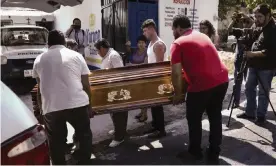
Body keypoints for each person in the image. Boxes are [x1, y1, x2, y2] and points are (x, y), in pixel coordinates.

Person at [170, 15, 229, 164]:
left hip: (202, 85)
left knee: (194, 118)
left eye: (173, 29)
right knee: (215, 116)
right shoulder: (202, 36)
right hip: (222, 80)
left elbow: (176, 72)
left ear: (178, 28)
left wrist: (178, 94)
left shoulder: (178, 43)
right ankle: (214, 151)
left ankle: (195, 152)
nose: (173, 32)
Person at [32, 30, 93, 165]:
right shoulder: (77, 56)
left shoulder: (38, 60)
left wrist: (41, 109)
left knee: (55, 141)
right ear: (64, 42)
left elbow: (40, 89)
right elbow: (86, 85)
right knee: (84, 135)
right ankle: (84, 161)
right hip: (77, 103)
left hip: (52, 107)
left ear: (48, 43)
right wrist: (90, 106)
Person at [237, 4, 276, 124]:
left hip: (266, 67)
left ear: (268, 16)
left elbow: (269, 52)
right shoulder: (258, 26)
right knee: (249, 88)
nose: (257, 19)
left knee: (263, 92)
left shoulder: (273, 30)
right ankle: (250, 112)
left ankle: (260, 116)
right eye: (256, 16)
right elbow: (252, 41)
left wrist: (252, 54)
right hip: (253, 65)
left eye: (260, 17)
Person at [94, 38, 128, 147]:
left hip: (116, 88)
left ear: (103, 48)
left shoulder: (113, 56)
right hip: (109, 88)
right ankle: (118, 129)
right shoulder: (107, 56)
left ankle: (120, 137)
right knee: (113, 112)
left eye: (98, 50)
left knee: (119, 113)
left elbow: (120, 73)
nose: (98, 53)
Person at [141, 19, 168, 138]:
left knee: (158, 105)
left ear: (152, 29)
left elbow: (160, 65)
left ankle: (161, 130)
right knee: (153, 104)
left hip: (158, 79)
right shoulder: (151, 44)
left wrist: (153, 78)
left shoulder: (158, 45)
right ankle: (155, 126)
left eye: (146, 31)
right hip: (151, 78)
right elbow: (149, 61)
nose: (144, 33)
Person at [228, 12, 254, 108]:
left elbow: (254, 23)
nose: (245, 23)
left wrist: (247, 16)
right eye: (244, 21)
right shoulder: (240, 31)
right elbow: (229, 30)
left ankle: (249, 103)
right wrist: (234, 20)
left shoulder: (254, 31)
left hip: (249, 60)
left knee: (249, 84)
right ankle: (236, 102)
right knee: (237, 82)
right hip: (239, 60)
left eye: (247, 21)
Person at [125, 35, 148, 122]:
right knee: (138, 96)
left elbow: (145, 65)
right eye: (139, 43)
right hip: (135, 76)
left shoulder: (147, 52)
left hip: (143, 76)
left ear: (145, 44)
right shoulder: (135, 51)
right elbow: (128, 52)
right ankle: (141, 112)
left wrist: (133, 66)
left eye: (143, 43)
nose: (141, 44)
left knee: (144, 96)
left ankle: (145, 114)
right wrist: (127, 45)